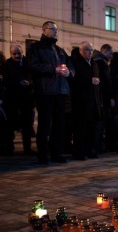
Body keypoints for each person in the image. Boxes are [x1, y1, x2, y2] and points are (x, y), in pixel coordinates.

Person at [28, 21, 75, 164]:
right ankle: (43, 154)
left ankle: (57, 153)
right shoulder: (35, 48)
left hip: (60, 91)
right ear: (44, 30)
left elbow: (71, 67)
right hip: (45, 91)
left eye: (56, 29)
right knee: (44, 124)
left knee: (59, 124)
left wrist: (68, 73)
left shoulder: (60, 50)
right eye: (52, 29)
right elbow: (33, 65)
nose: (55, 31)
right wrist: (53, 69)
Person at [1, 44, 35, 156]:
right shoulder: (6, 65)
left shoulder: (28, 63)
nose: (17, 56)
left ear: (22, 52)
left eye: (19, 53)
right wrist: (17, 83)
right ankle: (9, 148)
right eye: (14, 54)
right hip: (12, 99)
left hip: (27, 99)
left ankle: (27, 148)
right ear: (11, 54)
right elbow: (5, 81)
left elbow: (35, 78)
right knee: (10, 125)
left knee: (27, 125)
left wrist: (29, 83)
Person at [70, 42, 102, 160]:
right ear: (80, 51)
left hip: (93, 100)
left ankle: (90, 150)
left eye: (91, 50)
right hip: (81, 101)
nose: (90, 52)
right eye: (87, 50)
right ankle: (79, 152)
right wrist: (89, 81)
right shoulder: (76, 63)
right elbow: (74, 81)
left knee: (91, 128)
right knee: (80, 128)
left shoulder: (93, 63)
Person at [92, 44, 115, 152]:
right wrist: (110, 97)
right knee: (101, 120)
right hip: (102, 97)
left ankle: (96, 145)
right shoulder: (102, 62)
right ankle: (97, 145)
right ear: (105, 51)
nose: (111, 56)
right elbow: (106, 81)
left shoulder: (94, 60)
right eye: (110, 53)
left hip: (97, 96)